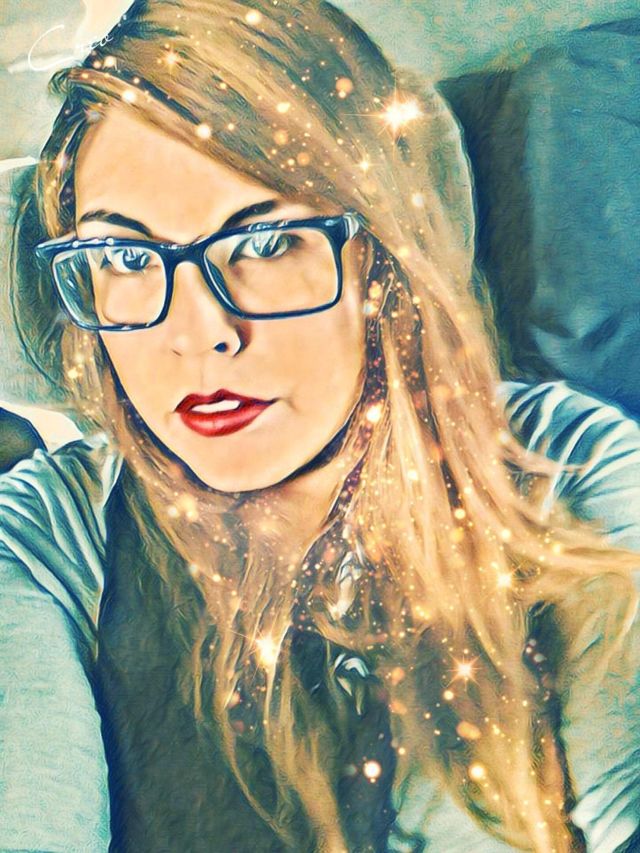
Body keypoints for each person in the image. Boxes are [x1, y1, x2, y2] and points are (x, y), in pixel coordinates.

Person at [1, 1, 639, 851]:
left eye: (266, 244)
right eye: (124, 257)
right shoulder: (53, 532)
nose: (199, 333)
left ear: (377, 257)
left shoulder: (568, 465)